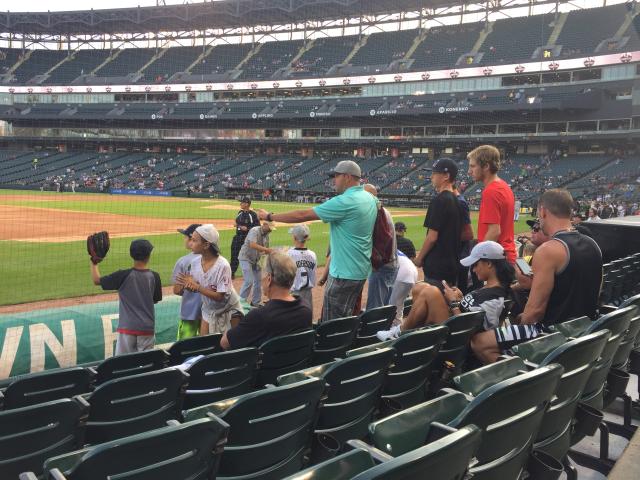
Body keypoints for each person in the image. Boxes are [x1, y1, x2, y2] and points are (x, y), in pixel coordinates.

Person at [471, 189, 603, 363]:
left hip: (552, 335)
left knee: (479, 342)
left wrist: (519, 330)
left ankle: (519, 380)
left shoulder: (548, 250)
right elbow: (597, 291)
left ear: (543, 211)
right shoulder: (593, 244)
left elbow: (534, 312)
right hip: (584, 330)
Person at [256, 160, 377, 322]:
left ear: (347, 177)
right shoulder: (368, 197)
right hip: (360, 271)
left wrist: (269, 216)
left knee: (331, 323)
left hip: (343, 274)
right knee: (347, 318)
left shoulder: (344, 201)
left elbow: (302, 215)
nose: (334, 180)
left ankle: (334, 347)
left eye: (336, 176)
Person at [377, 241, 514, 340]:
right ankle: (408, 335)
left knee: (431, 292)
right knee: (421, 288)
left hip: (456, 337)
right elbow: (473, 311)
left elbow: (475, 329)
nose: (473, 269)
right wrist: (461, 299)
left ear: (489, 264)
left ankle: (399, 334)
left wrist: (454, 303)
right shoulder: (490, 288)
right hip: (453, 326)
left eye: (476, 264)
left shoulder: (495, 297)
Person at [221, 252, 312, 349]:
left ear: (269, 279)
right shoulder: (306, 309)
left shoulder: (259, 316)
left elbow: (225, 343)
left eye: (263, 274)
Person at [90, 239, 162, 355]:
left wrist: (94, 263)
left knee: (123, 364)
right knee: (147, 363)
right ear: (149, 255)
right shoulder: (155, 276)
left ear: (131, 255)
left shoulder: (122, 276)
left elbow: (96, 280)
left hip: (127, 328)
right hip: (147, 329)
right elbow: (155, 300)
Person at [177, 224, 244, 335]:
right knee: (207, 344)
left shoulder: (223, 266)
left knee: (232, 346)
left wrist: (197, 287)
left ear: (206, 245)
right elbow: (199, 287)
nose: (190, 243)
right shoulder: (194, 263)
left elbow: (219, 296)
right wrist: (190, 286)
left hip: (229, 310)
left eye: (194, 240)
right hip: (208, 310)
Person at [415, 158, 462, 287]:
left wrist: (419, 259)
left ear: (446, 176)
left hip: (437, 266)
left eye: (435, 173)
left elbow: (432, 237)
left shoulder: (439, 200)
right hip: (451, 264)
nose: (431, 177)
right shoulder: (457, 200)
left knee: (432, 302)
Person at [467, 145, 516, 263]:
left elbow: (494, 231)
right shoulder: (503, 186)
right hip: (507, 254)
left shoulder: (491, 191)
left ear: (486, 166)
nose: (469, 171)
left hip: (496, 259)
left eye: (473, 166)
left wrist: (478, 258)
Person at [364, 184, 398, 310]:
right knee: (384, 306)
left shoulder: (376, 212)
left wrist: (374, 265)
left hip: (382, 267)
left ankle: (374, 330)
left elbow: (382, 243)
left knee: (375, 309)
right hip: (391, 265)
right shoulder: (383, 211)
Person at [171, 223, 202, 340]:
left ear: (192, 239)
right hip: (209, 314)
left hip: (190, 313)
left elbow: (177, 290)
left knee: (184, 348)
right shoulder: (215, 259)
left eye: (185, 237)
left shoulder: (183, 261)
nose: (184, 240)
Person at [238, 221, 275, 306]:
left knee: (258, 281)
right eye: (270, 228)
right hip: (245, 258)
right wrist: (266, 250)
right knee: (249, 280)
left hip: (256, 260)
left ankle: (255, 302)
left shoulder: (267, 235)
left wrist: (273, 252)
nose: (271, 230)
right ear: (264, 225)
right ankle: (240, 304)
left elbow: (265, 250)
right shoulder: (254, 230)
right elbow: (252, 245)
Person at [286, 224, 317, 310]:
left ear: (295, 238)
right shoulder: (312, 254)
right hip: (308, 292)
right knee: (307, 316)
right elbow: (313, 275)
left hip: (294, 293)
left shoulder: (289, 254)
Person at [230, 197, 260, 278]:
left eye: (242, 202)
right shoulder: (240, 212)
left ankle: (249, 274)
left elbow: (257, 228)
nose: (240, 204)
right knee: (234, 255)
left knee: (248, 257)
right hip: (237, 238)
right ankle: (231, 273)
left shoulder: (253, 215)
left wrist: (244, 228)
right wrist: (238, 225)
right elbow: (236, 222)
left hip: (247, 239)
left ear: (247, 204)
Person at [389, 250, 418, 326]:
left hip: (403, 273)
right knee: (399, 302)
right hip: (412, 272)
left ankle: (394, 328)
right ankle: (397, 325)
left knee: (393, 304)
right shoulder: (392, 246)